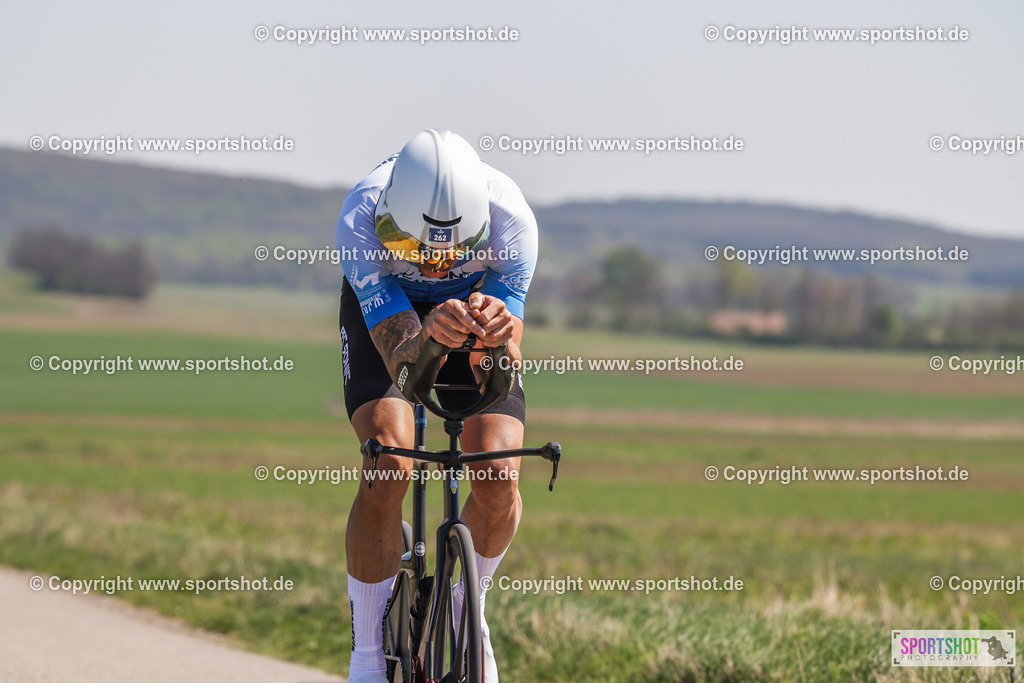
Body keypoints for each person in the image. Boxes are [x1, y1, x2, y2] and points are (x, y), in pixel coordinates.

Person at [335, 129, 537, 682]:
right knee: (390, 461)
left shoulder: (512, 222)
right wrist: (429, 338)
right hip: (393, 324)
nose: (429, 267)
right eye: (411, 250)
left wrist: (498, 341)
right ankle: (368, 658)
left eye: (451, 254)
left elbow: (500, 373)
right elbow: (403, 363)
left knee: (498, 476)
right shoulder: (359, 220)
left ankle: (464, 610)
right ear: (388, 221)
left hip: (471, 317)